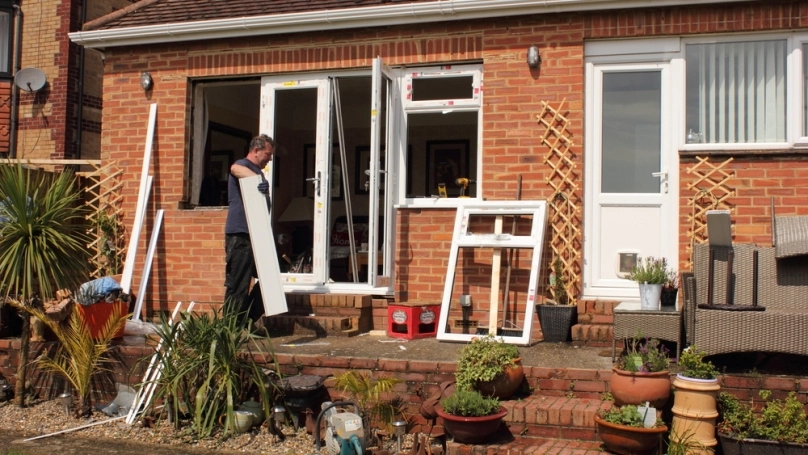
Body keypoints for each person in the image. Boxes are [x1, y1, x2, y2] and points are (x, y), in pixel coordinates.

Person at [224, 134, 276, 324]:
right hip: (240, 234)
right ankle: (230, 331)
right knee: (238, 282)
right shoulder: (243, 165)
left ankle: (246, 321)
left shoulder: (258, 171)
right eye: (267, 154)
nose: (269, 159)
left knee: (270, 280)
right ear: (256, 150)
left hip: (257, 234)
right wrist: (256, 179)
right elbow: (234, 168)